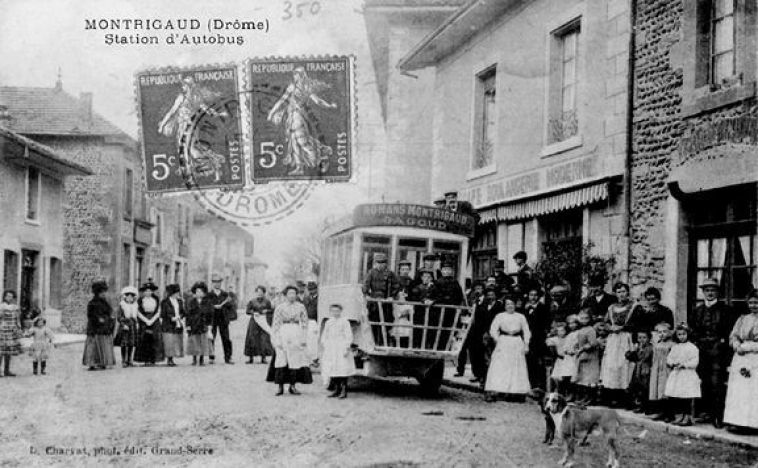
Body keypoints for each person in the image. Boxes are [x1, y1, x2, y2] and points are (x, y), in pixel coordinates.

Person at [266, 66, 338, 175]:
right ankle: (299, 168)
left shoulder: (306, 88)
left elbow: (318, 101)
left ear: (301, 75)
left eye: (297, 74)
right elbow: (282, 100)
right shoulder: (291, 87)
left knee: (302, 141)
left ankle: (321, 158)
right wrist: (272, 112)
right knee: (294, 141)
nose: (295, 76)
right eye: (294, 74)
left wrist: (329, 106)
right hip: (290, 117)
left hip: (299, 116)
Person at [688, 277, 737, 428]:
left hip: (718, 352)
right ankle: (704, 413)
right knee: (703, 382)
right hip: (701, 352)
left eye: (713, 290)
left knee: (717, 383)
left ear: (717, 292)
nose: (710, 293)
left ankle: (718, 416)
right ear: (703, 292)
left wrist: (722, 348)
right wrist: (698, 343)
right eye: (707, 290)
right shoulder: (697, 311)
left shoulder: (726, 310)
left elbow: (730, 333)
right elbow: (692, 330)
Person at [484, 297, 531, 402]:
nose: (510, 306)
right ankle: (496, 390)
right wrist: (498, 340)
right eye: (508, 304)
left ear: (515, 305)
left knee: (516, 367)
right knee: (501, 367)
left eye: (512, 304)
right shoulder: (500, 316)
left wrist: (526, 344)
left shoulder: (520, 317)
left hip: (517, 342)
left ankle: (516, 392)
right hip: (504, 341)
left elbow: (526, 331)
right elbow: (493, 329)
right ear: (505, 306)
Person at [723, 289, 758, 430]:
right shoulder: (743, 318)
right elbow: (733, 335)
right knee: (739, 390)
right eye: (751, 303)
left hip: (755, 358)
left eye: (756, 302)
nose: (754, 305)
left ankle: (753, 424)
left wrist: (748, 347)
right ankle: (738, 422)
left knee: (753, 390)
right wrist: (736, 344)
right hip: (740, 358)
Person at [268, 285, 313, 396]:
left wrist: (303, 337)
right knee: (282, 359)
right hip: (284, 332)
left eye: (294, 293)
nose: (292, 296)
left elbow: (305, 323)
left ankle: (293, 386)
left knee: (295, 360)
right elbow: (276, 324)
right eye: (290, 293)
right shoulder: (280, 307)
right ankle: (280, 387)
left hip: (296, 333)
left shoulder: (301, 307)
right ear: (285, 295)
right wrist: (276, 339)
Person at [600, 282, 635, 407]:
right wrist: (611, 327)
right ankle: (612, 397)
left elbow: (636, 323)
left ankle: (625, 399)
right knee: (611, 366)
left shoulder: (634, 306)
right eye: (619, 292)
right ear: (615, 293)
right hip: (613, 339)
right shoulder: (611, 307)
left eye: (624, 291)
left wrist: (622, 327)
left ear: (628, 292)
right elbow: (605, 323)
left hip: (626, 338)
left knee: (624, 365)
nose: (621, 294)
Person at [665, 324, 701, 427]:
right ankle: (680, 416)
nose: (681, 337)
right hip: (677, 374)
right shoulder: (675, 347)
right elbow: (669, 358)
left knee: (686, 397)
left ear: (688, 334)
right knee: (678, 396)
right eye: (679, 334)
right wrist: (673, 363)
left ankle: (688, 417)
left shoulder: (693, 347)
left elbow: (695, 362)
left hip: (687, 374)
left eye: (684, 334)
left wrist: (684, 365)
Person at [467, 287, 503, 385]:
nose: (490, 297)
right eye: (488, 295)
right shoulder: (483, 305)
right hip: (482, 334)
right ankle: (483, 378)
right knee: (481, 357)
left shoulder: (500, 306)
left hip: (495, 334)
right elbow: (478, 320)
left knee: (493, 357)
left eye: (492, 295)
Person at [362, 253, 400, 347]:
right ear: (375, 263)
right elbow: (365, 285)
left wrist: (391, 296)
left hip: (386, 302)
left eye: (382, 263)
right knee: (374, 322)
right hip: (374, 302)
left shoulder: (390, 274)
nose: (380, 265)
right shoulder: (371, 273)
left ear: (385, 263)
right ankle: (375, 343)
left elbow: (396, 286)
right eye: (378, 263)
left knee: (387, 322)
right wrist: (366, 294)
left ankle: (384, 343)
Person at [320, 304, 356, 399]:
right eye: (333, 311)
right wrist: (325, 344)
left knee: (342, 368)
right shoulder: (328, 322)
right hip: (331, 347)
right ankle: (336, 389)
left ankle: (344, 390)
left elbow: (349, 336)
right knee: (332, 368)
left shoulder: (345, 322)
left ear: (341, 311)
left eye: (337, 311)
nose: (335, 313)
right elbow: (324, 335)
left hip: (341, 346)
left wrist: (346, 347)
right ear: (330, 312)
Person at [429, 260, 465, 351]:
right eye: (445, 269)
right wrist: (441, 300)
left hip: (451, 313)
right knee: (437, 335)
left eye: (449, 269)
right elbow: (433, 296)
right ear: (441, 271)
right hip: (438, 314)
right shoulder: (437, 282)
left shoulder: (455, 283)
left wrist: (452, 302)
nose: (447, 271)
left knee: (448, 334)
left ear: (452, 271)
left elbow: (459, 297)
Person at [82, 280, 116, 371]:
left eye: (104, 292)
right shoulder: (92, 303)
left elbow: (109, 313)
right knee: (93, 345)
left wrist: (109, 319)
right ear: (97, 293)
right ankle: (92, 363)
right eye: (102, 292)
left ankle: (103, 362)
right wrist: (98, 319)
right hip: (95, 327)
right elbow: (90, 315)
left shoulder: (106, 303)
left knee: (104, 344)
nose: (104, 294)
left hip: (104, 327)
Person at [522, 287, 552, 390]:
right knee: (529, 361)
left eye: (535, 295)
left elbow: (547, 323)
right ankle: (531, 383)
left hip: (539, 339)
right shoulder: (525, 308)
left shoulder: (543, 308)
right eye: (531, 295)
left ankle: (540, 385)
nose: (533, 297)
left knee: (539, 362)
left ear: (538, 297)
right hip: (527, 339)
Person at [572, 310, 601, 405]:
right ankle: (584, 397)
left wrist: (582, 349)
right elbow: (579, 341)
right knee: (582, 377)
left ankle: (590, 398)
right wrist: (576, 347)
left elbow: (593, 343)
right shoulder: (581, 330)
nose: (584, 320)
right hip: (582, 356)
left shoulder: (591, 330)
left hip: (590, 356)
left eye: (586, 318)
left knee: (590, 378)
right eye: (582, 318)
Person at [133, 281, 164, 366]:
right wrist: (146, 321)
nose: (148, 293)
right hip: (144, 320)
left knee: (154, 340)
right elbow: (138, 312)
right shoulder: (140, 300)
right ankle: (145, 359)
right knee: (145, 340)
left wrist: (152, 320)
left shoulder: (156, 299)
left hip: (154, 320)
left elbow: (158, 311)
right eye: (146, 291)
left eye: (150, 291)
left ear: (152, 291)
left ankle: (153, 359)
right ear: (143, 292)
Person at [649, 322, 675, 421]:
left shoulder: (672, 344)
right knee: (658, 390)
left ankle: (669, 414)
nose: (662, 334)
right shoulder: (657, 344)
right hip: (657, 369)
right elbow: (654, 357)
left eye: (664, 332)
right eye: (659, 332)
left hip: (667, 369)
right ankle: (660, 411)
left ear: (669, 332)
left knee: (666, 390)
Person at [208, 274, 235, 365]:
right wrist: (213, 306)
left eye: (219, 282)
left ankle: (228, 357)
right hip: (212, 319)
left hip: (223, 319)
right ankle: (211, 357)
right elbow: (206, 306)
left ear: (221, 283)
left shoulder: (225, 294)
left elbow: (230, 307)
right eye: (215, 282)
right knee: (211, 337)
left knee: (226, 338)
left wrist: (226, 306)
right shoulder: (209, 295)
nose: (217, 284)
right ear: (212, 283)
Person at [244, 286, 274, 364]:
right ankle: (250, 358)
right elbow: (247, 311)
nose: (260, 293)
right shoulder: (252, 301)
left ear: (264, 293)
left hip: (263, 321)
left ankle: (263, 358)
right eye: (258, 291)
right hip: (254, 321)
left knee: (263, 339)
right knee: (252, 339)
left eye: (261, 292)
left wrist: (267, 311)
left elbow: (271, 310)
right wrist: (253, 312)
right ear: (256, 292)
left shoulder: (267, 301)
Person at [626, 330, 654, 413]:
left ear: (649, 338)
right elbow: (633, 358)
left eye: (644, 337)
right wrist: (632, 352)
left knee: (645, 387)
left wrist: (639, 351)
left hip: (645, 369)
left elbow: (644, 357)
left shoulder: (650, 348)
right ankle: (638, 404)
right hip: (637, 369)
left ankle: (646, 406)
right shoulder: (638, 347)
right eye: (640, 337)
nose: (642, 340)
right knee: (637, 387)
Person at [186, 282, 213, 366]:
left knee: (203, 342)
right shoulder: (191, 302)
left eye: (201, 292)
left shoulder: (207, 302)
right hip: (193, 324)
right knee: (194, 341)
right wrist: (188, 325)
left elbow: (210, 315)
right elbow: (188, 314)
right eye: (197, 291)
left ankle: (201, 359)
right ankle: (194, 359)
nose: (199, 293)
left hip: (203, 325)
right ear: (194, 292)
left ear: (204, 293)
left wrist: (209, 326)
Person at [160, 284, 185, 367]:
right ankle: (169, 359)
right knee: (169, 341)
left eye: (178, 293)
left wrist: (180, 317)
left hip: (177, 322)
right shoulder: (165, 302)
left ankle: (173, 358)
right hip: (168, 324)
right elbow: (163, 313)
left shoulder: (180, 301)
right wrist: (171, 318)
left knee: (175, 341)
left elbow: (183, 312)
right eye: (176, 293)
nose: (177, 295)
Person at [115, 286, 139, 367]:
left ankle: (129, 360)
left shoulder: (135, 305)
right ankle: (123, 360)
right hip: (125, 326)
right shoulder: (122, 305)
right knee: (124, 344)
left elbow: (136, 316)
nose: (129, 298)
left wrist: (137, 323)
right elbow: (119, 317)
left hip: (132, 326)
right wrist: (123, 324)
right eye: (128, 297)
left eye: (131, 297)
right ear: (125, 297)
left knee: (131, 344)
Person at [0, 290, 22, 377]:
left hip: (12, 330)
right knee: (1, 351)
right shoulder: (1, 306)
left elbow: (17, 319)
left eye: (11, 296)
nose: (9, 298)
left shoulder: (15, 307)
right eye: (7, 296)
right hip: (2, 330)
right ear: (4, 297)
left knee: (9, 351)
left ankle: (7, 370)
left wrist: (18, 328)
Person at [547, 322, 572, 395]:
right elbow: (549, 343)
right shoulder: (555, 339)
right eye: (559, 331)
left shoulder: (568, 338)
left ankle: (565, 392)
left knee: (565, 377)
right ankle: (558, 391)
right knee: (556, 377)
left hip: (568, 359)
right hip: (560, 360)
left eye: (563, 330)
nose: (561, 333)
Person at [303, 281, 320, 364]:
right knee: (308, 340)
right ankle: (309, 359)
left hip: (315, 321)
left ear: (316, 289)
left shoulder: (320, 298)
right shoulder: (306, 298)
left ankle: (315, 358)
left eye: (313, 289)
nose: (312, 291)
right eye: (310, 290)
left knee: (315, 340)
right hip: (307, 321)